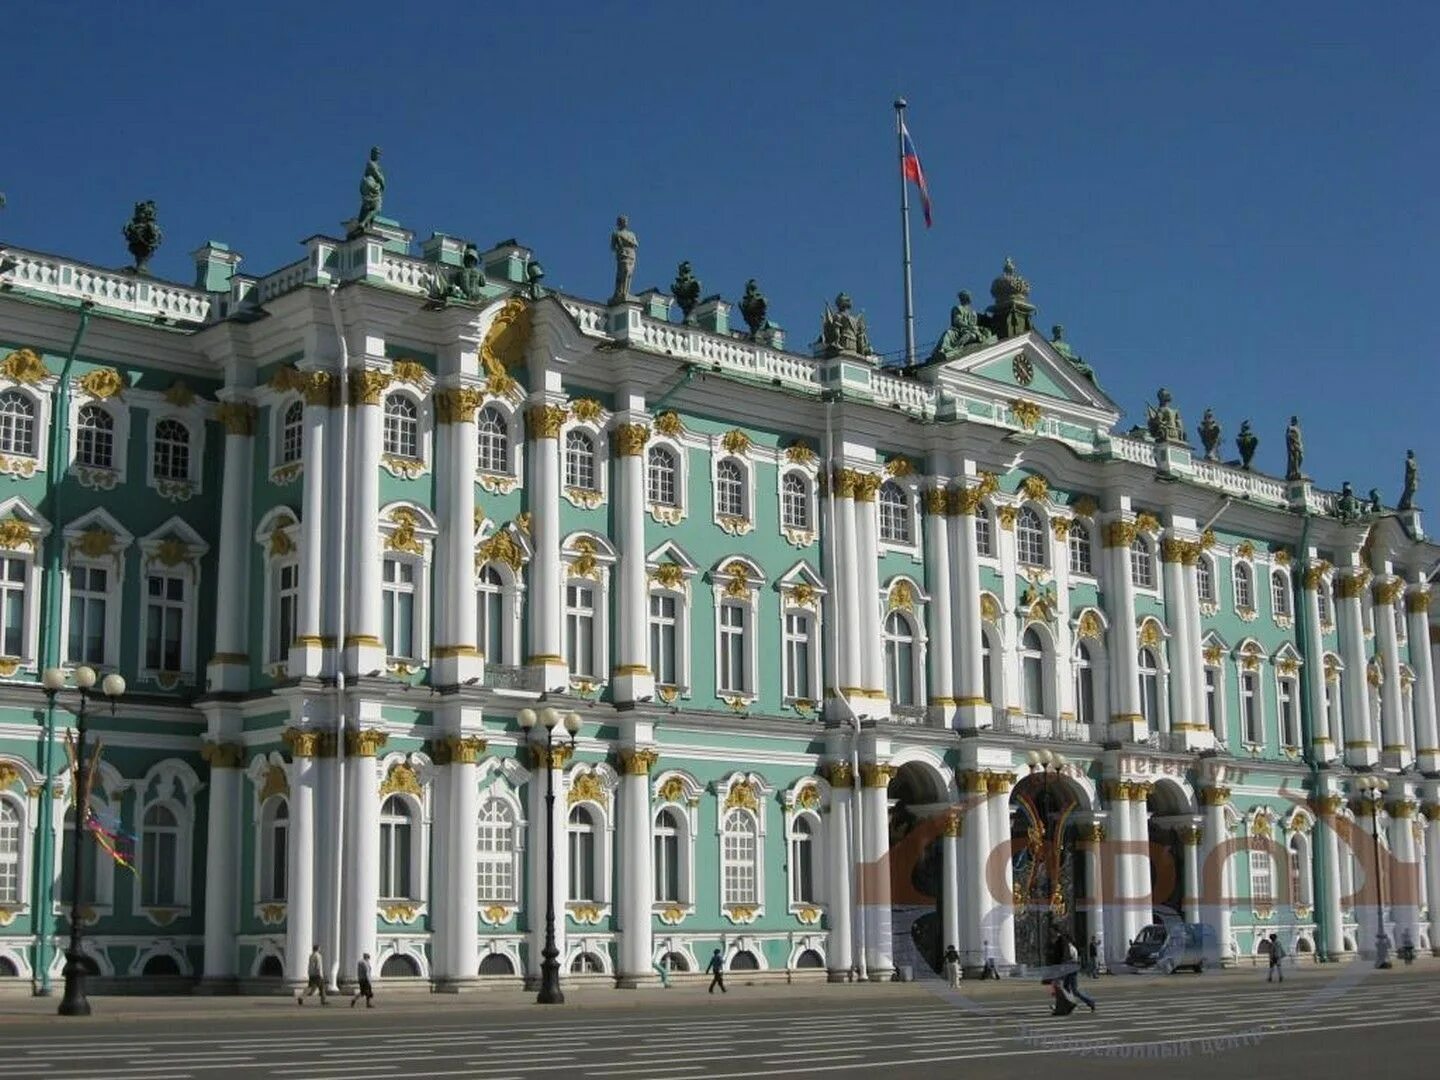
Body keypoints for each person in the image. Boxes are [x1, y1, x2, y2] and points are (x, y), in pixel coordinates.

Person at [1060, 934, 1096, 1012]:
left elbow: (1070, 960)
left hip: (1071, 969)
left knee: (1074, 991)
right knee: (1066, 987)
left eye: (1064, 939)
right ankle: (1069, 1004)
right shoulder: (1069, 947)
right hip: (1070, 969)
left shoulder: (1070, 948)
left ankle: (1090, 1002)